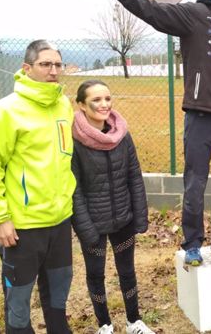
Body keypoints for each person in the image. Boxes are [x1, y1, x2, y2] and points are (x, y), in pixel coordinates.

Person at [84, 0, 211, 267]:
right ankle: (193, 243)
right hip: (201, 115)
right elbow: (150, 11)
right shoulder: (195, 14)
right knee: (195, 183)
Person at [0, 40, 75, 333]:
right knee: (18, 307)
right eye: (45, 64)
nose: (53, 70)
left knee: (58, 297)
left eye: (58, 64)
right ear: (27, 68)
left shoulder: (63, 104)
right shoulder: (6, 111)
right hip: (22, 228)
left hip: (59, 222)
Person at [71, 80, 154, 334]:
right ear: (81, 105)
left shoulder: (122, 135)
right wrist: (85, 228)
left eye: (107, 98)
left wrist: (139, 216)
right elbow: (74, 189)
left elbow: (134, 177)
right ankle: (104, 325)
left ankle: (133, 321)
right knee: (95, 275)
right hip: (93, 224)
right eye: (96, 100)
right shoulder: (74, 140)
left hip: (123, 219)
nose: (104, 104)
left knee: (127, 271)